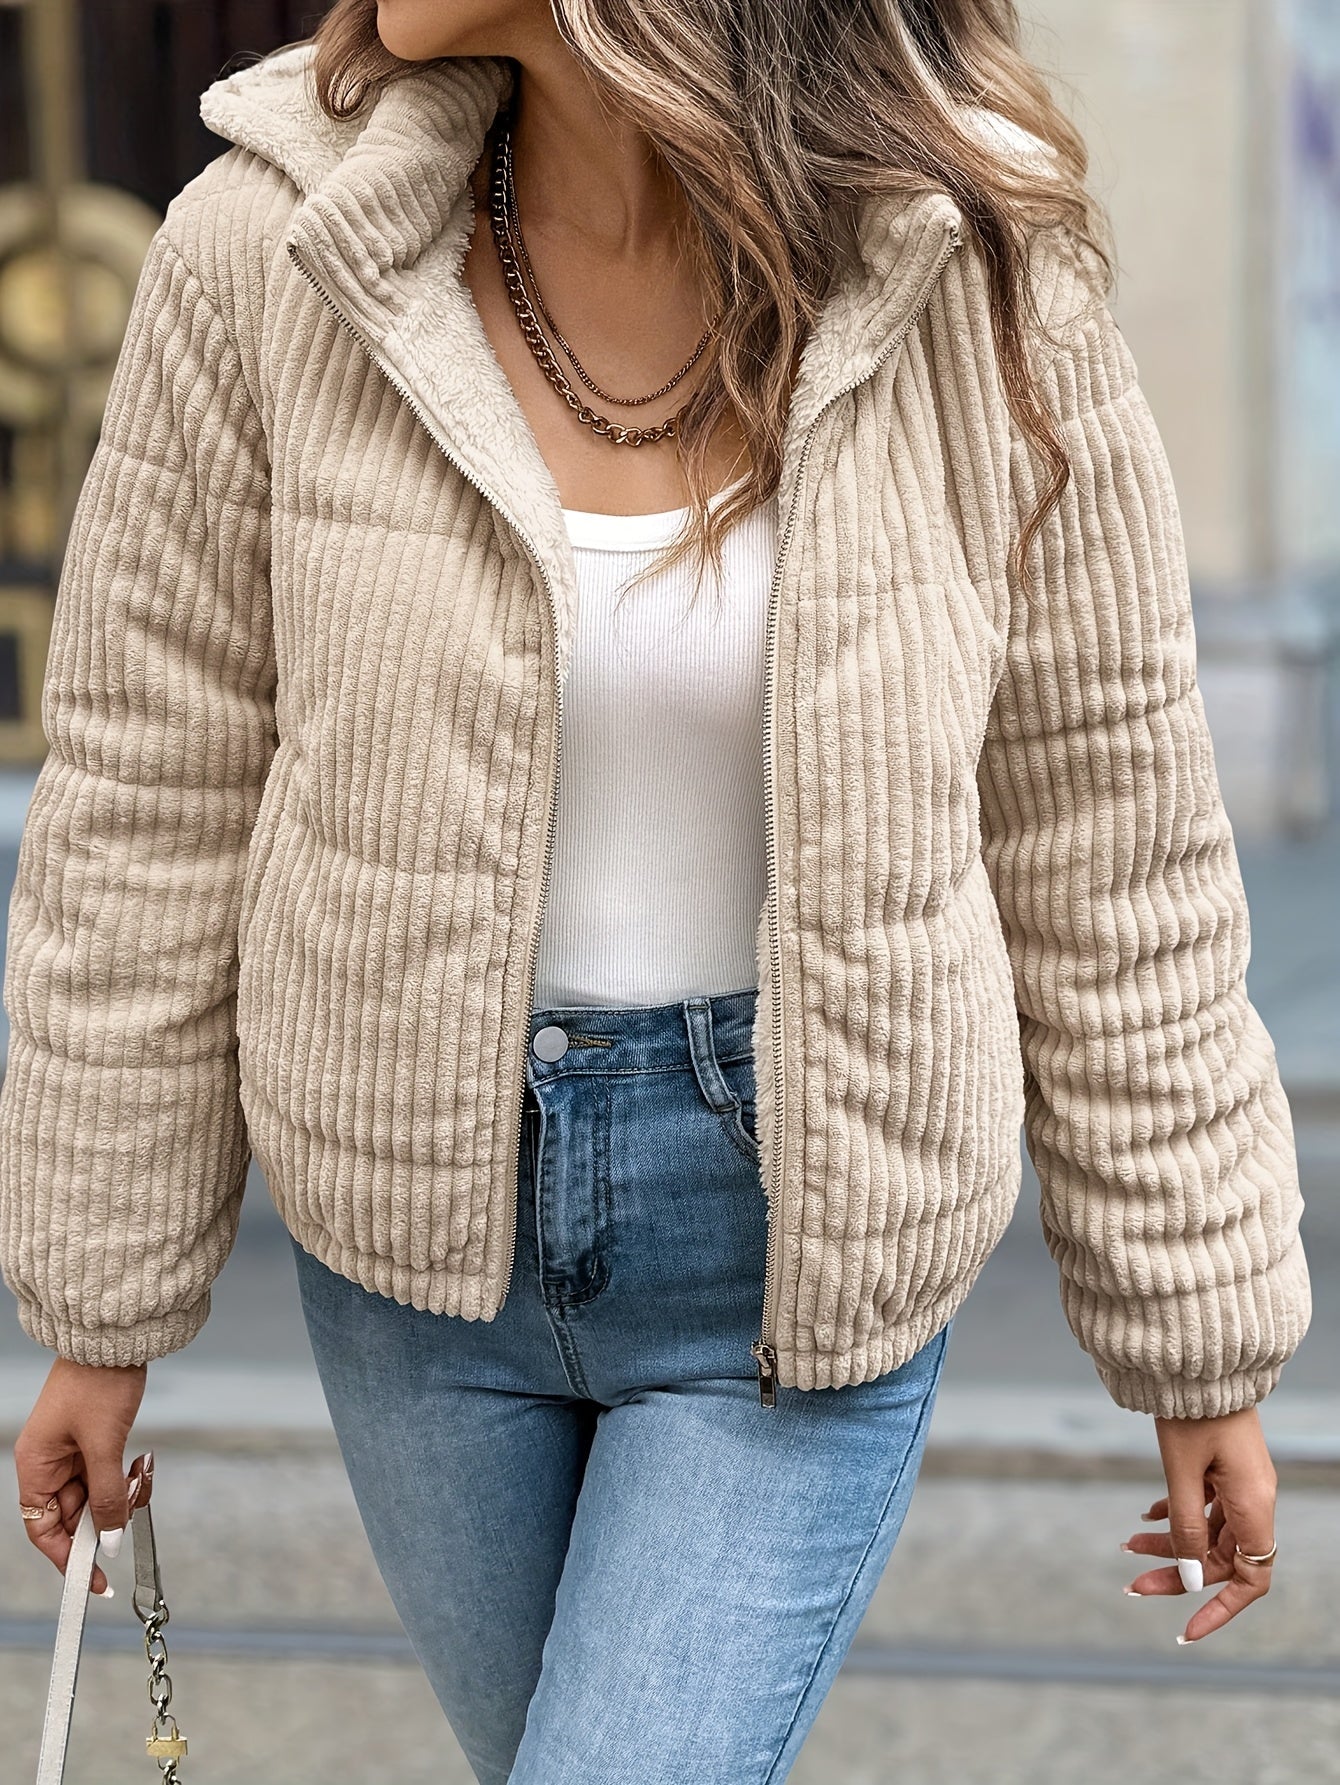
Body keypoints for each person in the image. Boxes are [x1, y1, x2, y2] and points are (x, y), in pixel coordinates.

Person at [2, 2, 1312, 1780]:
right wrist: (101, 1308)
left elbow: (1105, 817)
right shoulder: (268, 252)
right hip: (414, 1260)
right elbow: (150, 795)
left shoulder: (975, 267)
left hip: (796, 1244)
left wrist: (1200, 1333)